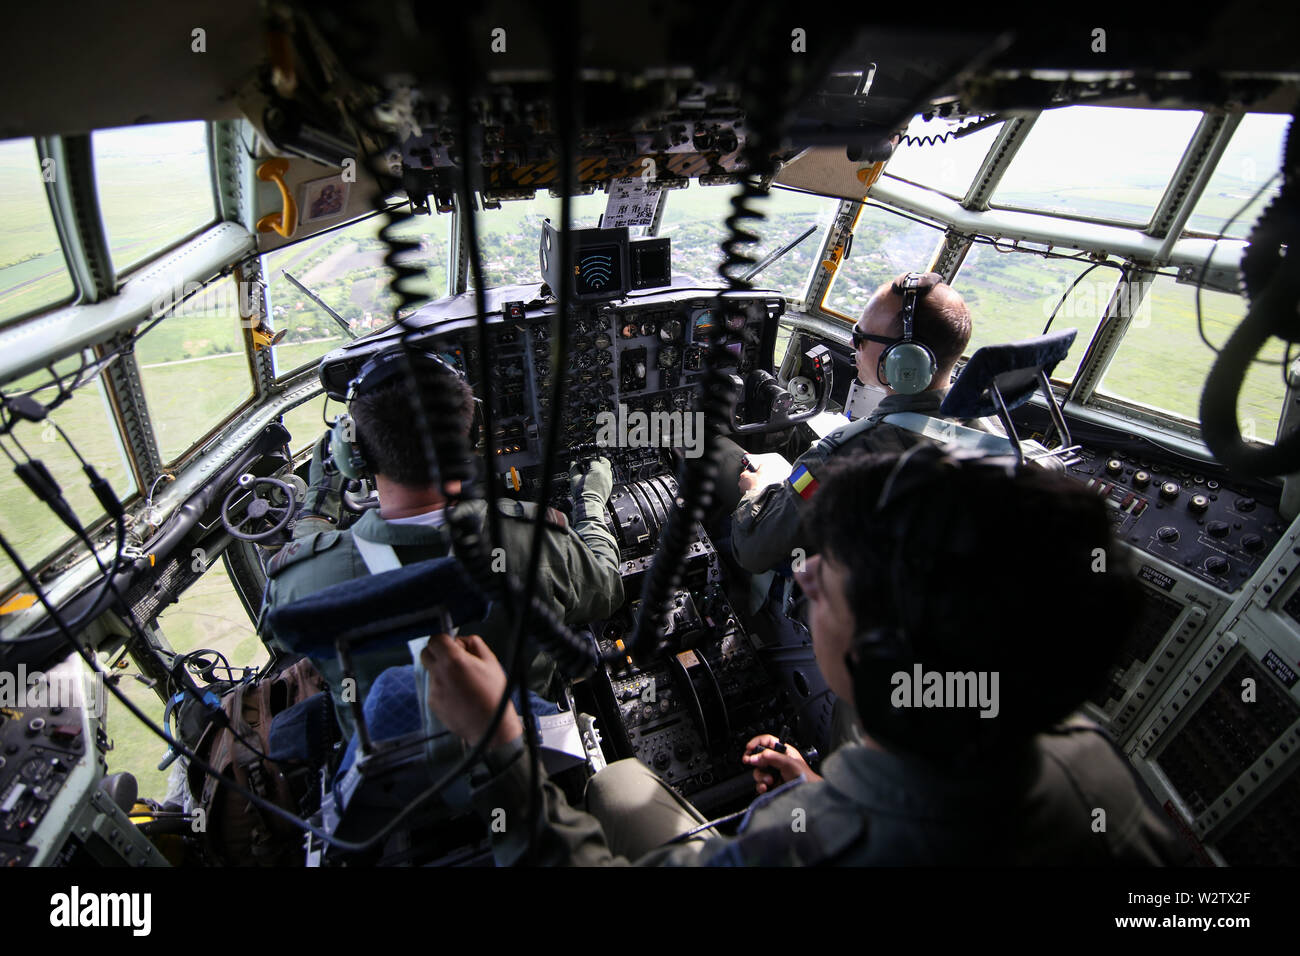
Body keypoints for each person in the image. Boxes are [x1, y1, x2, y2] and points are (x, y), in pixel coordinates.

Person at [421, 445, 1192, 866]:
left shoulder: (814, 843)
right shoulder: (1089, 755)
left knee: (621, 786)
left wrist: (505, 753)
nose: (804, 570)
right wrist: (828, 785)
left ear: (886, 657)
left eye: (830, 570)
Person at [262, 347, 623, 735]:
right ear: (472, 437)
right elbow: (607, 590)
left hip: (391, 779)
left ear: (353, 455)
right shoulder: (537, 542)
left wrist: (317, 507)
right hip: (524, 747)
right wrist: (589, 503)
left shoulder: (300, 583)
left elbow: (279, 630)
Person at [728, 271, 976, 575]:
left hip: (842, 600)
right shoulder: (988, 436)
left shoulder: (839, 457)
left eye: (860, 337)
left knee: (724, 469)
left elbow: (752, 552)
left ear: (905, 359)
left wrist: (759, 489)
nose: (850, 341)